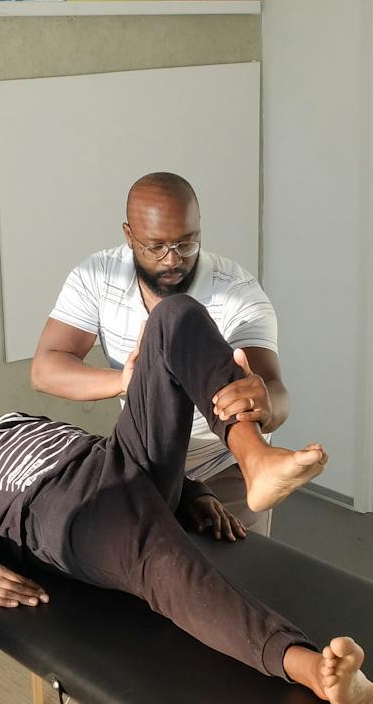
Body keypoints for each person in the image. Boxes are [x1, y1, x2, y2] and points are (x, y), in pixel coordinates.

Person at [0, 293, 373, 704]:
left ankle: (255, 458)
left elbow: (88, 443)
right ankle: (313, 670)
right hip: (68, 511)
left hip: (117, 460)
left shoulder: (10, 419)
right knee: (166, 569)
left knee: (173, 315)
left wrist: (191, 491)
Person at [31, 172, 291, 536]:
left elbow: (276, 392)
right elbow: (45, 368)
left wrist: (267, 403)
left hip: (222, 466)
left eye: (187, 244)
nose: (172, 260)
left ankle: (257, 460)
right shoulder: (97, 275)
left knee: (234, 579)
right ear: (128, 236)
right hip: (147, 459)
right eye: (155, 247)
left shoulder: (236, 292)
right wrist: (125, 382)